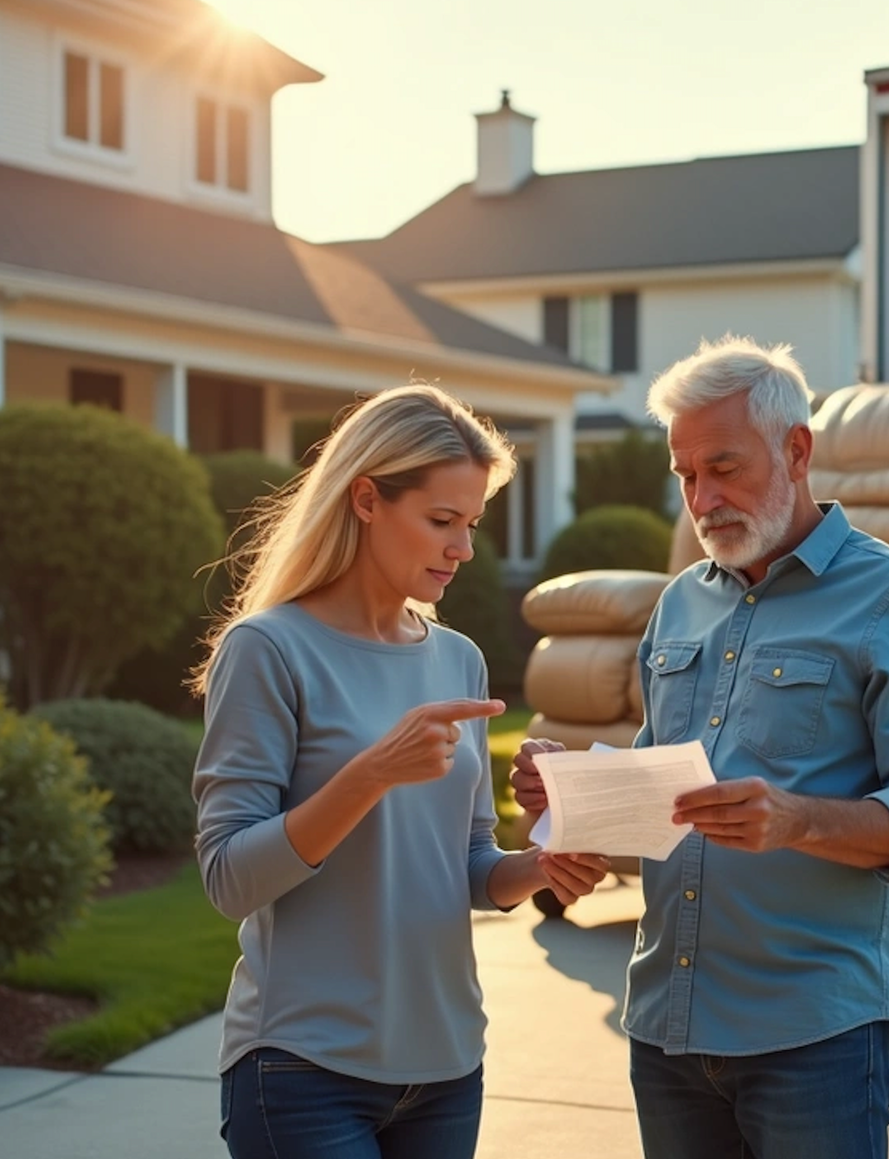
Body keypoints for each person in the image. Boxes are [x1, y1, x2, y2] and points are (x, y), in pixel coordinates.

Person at [511, 336, 889, 1159]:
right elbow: (660, 801)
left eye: (724, 467)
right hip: (666, 1026)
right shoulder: (679, 605)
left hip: (815, 1036)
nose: (703, 497)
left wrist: (798, 819)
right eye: (686, 475)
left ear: (797, 449)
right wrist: (570, 798)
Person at [191, 384, 612, 1159]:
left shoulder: (458, 657)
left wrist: (540, 865)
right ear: (366, 499)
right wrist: (370, 773)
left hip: (448, 1067)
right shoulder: (268, 649)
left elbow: (469, 867)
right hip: (302, 1067)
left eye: (472, 524)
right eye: (442, 521)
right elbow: (228, 877)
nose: (464, 548)